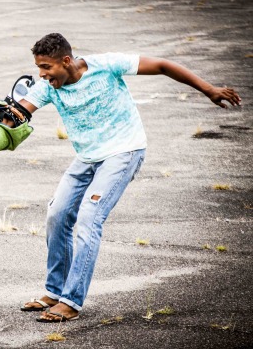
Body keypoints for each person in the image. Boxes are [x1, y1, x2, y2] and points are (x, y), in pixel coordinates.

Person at [15, 33, 241, 322]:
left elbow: (160, 65)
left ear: (66, 61)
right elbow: (20, 112)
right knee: (56, 215)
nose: (42, 74)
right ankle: (54, 290)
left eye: (46, 67)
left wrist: (208, 89)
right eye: (38, 67)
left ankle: (71, 302)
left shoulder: (106, 66)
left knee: (89, 218)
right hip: (87, 157)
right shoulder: (48, 87)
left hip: (123, 151)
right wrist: (3, 118)